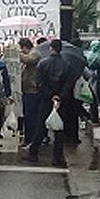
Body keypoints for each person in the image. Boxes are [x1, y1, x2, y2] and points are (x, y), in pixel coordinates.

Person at [26, 38, 70, 167]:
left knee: (40, 126)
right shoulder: (67, 65)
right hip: (60, 101)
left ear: (51, 48)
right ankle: (57, 157)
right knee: (59, 129)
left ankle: (33, 153)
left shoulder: (43, 63)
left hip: (45, 99)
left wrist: (48, 95)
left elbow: (39, 83)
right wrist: (59, 96)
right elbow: (68, 85)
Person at [18, 38, 41, 147]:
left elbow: (28, 60)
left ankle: (31, 139)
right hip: (27, 90)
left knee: (31, 116)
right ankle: (29, 138)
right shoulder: (32, 54)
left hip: (32, 90)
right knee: (28, 115)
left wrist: (15, 54)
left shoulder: (35, 53)